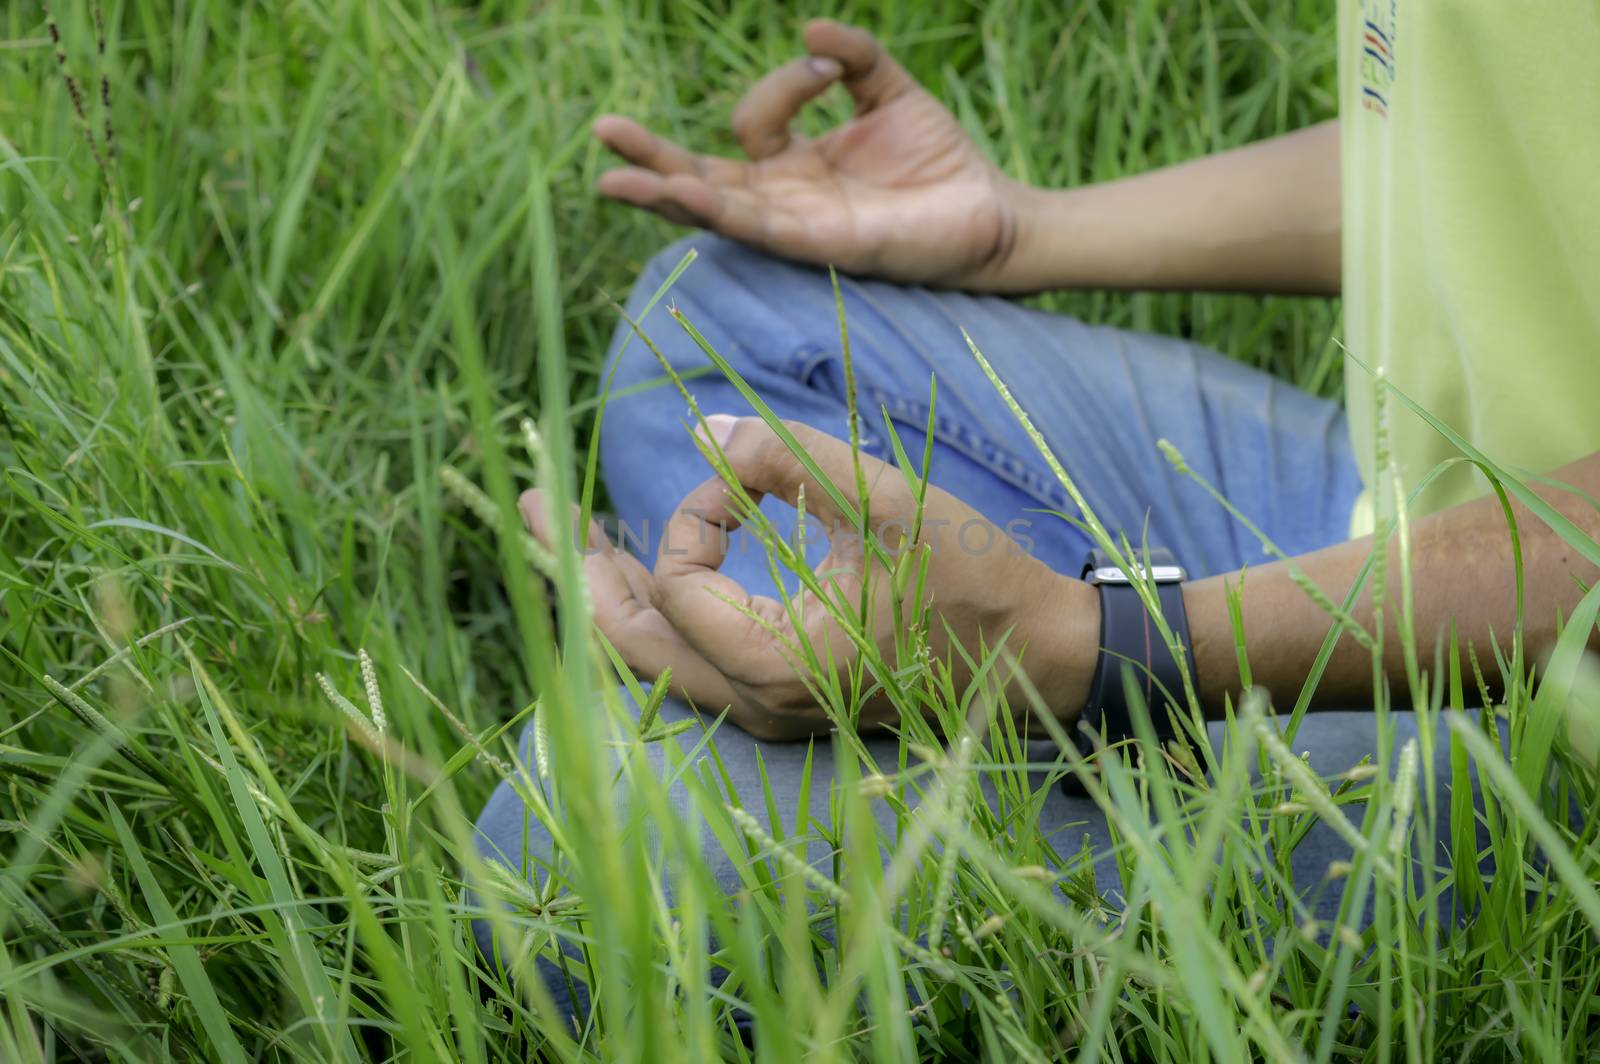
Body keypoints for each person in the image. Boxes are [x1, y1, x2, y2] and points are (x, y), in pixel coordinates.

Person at [475, 12, 1600, 959]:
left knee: (583, 851)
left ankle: (854, 695)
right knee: (723, 315)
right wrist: (1020, 230)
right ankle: (835, 664)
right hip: (1419, 497)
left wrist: (1108, 646)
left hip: (1553, 717)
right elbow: (1498, 149)